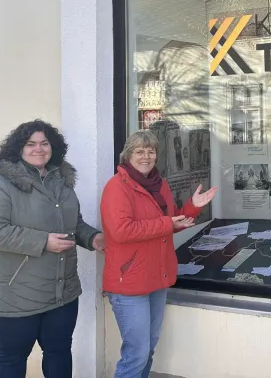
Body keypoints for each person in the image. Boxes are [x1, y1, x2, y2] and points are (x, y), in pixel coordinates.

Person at [0, 120, 104, 378]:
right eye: (30, 144)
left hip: (61, 293)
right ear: (18, 149)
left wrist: (92, 238)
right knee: (12, 360)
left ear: (53, 147)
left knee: (58, 354)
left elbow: (72, 224)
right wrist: (43, 242)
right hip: (15, 294)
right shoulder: (0, 185)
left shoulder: (62, 183)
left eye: (44, 143)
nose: (38, 149)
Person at [100, 130, 218, 378]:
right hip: (129, 283)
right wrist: (166, 224)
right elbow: (121, 231)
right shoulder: (116, 187)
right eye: (139, 151)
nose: (146, 156)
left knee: (148, 349)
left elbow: (171, 220)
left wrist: (192, 207)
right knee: (136, 353)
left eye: (151, 151)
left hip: (157, 277)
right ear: (127, 155)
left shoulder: (160, 184)